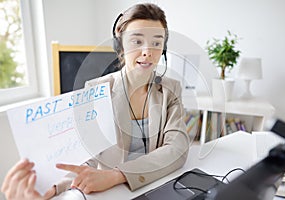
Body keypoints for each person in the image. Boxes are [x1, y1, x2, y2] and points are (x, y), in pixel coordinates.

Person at [1, 3, 190, 199]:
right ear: (121, 46)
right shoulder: (97, 91)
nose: (147, 52)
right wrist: (53, 187)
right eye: (137, 41)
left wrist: (117, 175)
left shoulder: (170, 89)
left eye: (157, 43)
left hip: (156, 183)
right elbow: (85, 156)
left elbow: (177, 149)